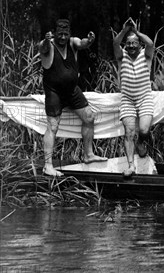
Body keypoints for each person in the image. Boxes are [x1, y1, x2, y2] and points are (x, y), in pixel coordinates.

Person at [38, 19, 106, 177]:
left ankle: (88, 154)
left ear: (69, 33)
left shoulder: (72, 42)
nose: (62, 37)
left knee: (89, 117)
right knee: (53, 126)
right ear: (54, 33)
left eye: (65, 34)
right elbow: (42, 47)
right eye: (59, 34)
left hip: (72, 90)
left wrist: (90, 40)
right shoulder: (47, 44)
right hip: (54, 91)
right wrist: (47, 40)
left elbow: (82, 43)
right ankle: (48, 166)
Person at [112, 18, 155, 177]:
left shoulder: (146, 55)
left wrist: (136, 32)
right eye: (128, 43)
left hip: (144, 98)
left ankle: (142, 142)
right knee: (129, 132)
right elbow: (116, 43)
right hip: (128, 100)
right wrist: (124, 31)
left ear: (139, 44)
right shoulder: (121, 56)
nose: (130, 46)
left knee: (144, 129)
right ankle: (131, 166)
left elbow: (150, 44)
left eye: (134, 42)